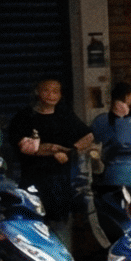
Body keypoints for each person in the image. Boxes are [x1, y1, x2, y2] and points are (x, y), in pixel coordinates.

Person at [10, 77, 90, 229]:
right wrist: (53, 151)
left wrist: (72, 150)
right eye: (46, 90)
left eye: (55, 92)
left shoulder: (65, 115)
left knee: (60, 230)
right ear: (37, 92)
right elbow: (26, 147)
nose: (51, 95)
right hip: (33, 184)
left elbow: (88, 136)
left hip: (61, 186)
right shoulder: (24, 117)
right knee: (32, 227)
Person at [88, 90, 131, 241]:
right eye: (129, 103)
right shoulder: (103, 120)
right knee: (118, 218)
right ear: (116, 102)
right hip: (114, 179)